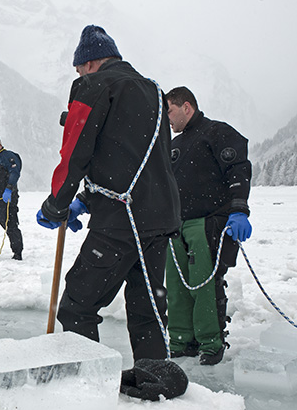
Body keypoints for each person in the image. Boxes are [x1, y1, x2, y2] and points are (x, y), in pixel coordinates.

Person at [37, 25, 182, 365]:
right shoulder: (154, 91)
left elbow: (74, 153)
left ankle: (87, 383)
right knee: (147, 305)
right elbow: (134, 158)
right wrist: (85, 200)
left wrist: (56, 205)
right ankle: (155, 376)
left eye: (78, 69)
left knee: (76, 306)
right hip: (159, 217)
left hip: (121, 221)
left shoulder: (95, 85)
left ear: (89, 63)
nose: (78, 74)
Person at [164, 86, 252, 365]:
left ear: (186, 107)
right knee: (176, 285)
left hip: (208, 222)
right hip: (176, 225)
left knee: (204, 284)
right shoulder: (174, 145)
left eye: (169, 110)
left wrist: (239, 209)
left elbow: (237, 167)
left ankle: (211, 342)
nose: (167, 118)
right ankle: (180, 340)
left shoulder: (217, 132)